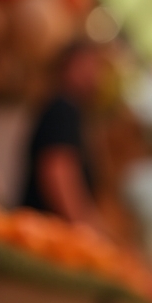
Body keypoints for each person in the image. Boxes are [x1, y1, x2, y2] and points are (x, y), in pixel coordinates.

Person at [20, 41, 103, 227]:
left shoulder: (68, 109)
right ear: (68, 65)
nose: (94, 74)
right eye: (88, 65)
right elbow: (56, 169)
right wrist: (83, 227)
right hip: (42, 228)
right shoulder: (64, 108)